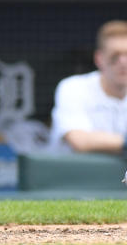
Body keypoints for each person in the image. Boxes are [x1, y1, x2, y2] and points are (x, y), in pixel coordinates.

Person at [50, 20, 127, 155]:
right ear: (99, 59)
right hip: (72, 174)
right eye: (115, 56)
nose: (123, 63)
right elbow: (79, 140)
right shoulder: (73, 87)